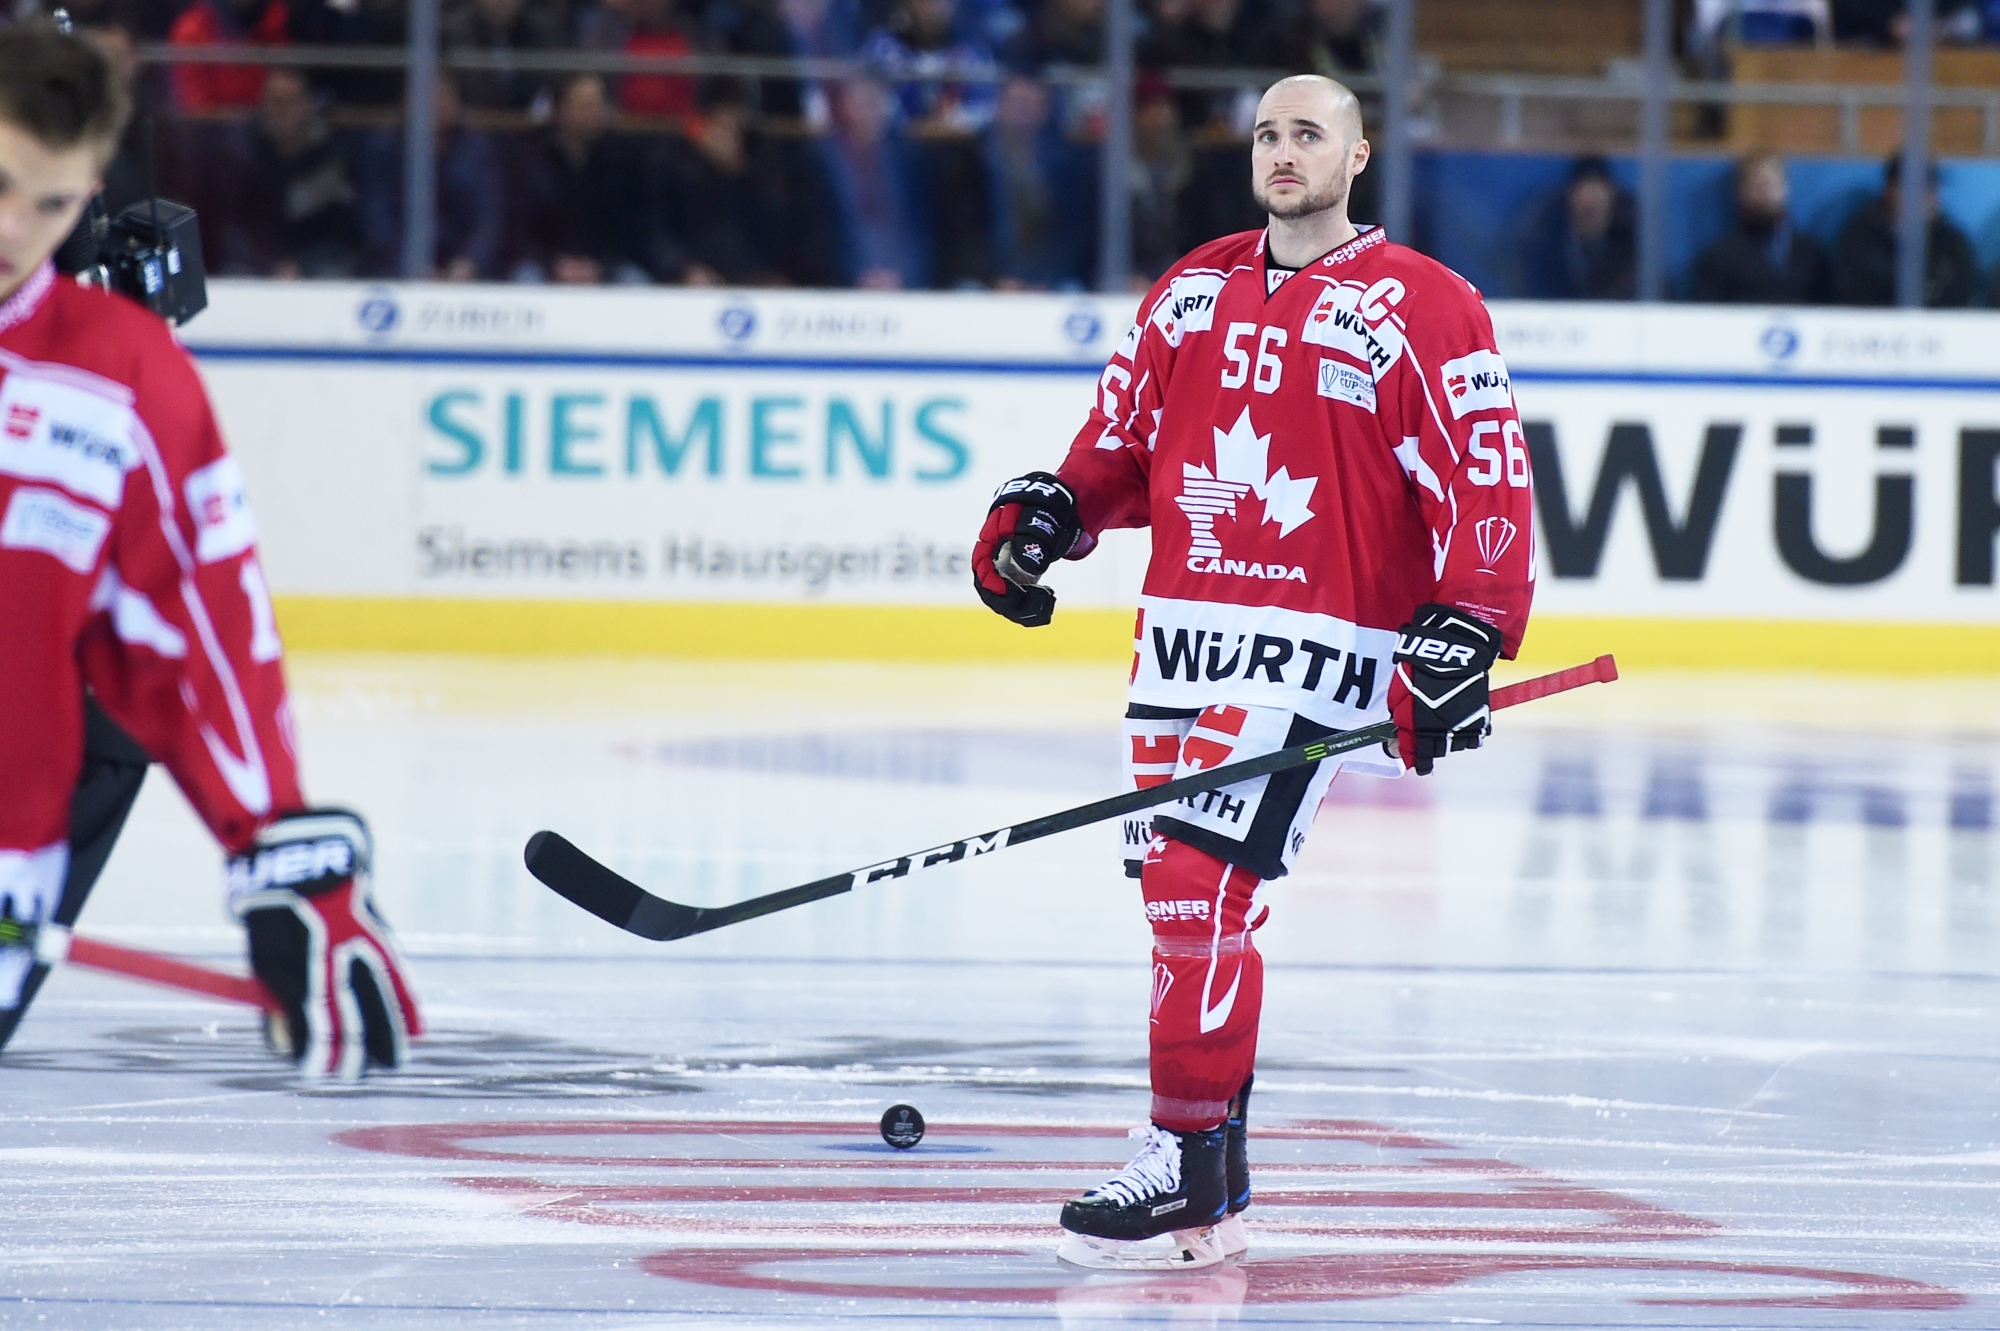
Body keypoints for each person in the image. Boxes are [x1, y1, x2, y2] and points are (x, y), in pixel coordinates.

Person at [969, 74, 1534, 1269]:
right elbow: (1118, 450)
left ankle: (1180, 1154)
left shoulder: (1423, 303)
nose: (1283, 152)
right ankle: (1211, 1174)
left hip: (1321, 646)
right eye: (1268, 134)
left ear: (1358, 154)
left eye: (1308, 134)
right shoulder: (1190, 289)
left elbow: (1482, 479)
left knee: (1194, 881)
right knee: (1185, 908)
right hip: (1180, 637)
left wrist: (1467, 626)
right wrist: (1051, 511)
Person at [0, 24, 421, 1078]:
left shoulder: (121, 372)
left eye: (52, 204)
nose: (14, 231)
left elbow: (194, 633)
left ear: (91, 189)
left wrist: (281, 852)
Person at [1831, 154, 1981, 308]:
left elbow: (1963, 297)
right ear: (1891, 189)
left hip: (1940, 328)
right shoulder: (1860, 238)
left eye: (1932, 187)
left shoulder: (1952, 241)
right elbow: (1860, 296)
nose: (1928, 196)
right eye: (1917, 187)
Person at [1688, 152, 1830, 304]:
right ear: (1740, 192)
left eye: (1771, 184)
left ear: (1786, 188)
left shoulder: (1811, 253)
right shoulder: (1721, 256)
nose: (1765, 192)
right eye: (1757, 185)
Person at [1530, 156, 1636, 300]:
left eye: (1597, 191)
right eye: (1584, 191)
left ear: (1612, 196)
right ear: (1570, 196)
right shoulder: (1546, 245)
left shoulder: (1632, 249)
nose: (1590, 200)